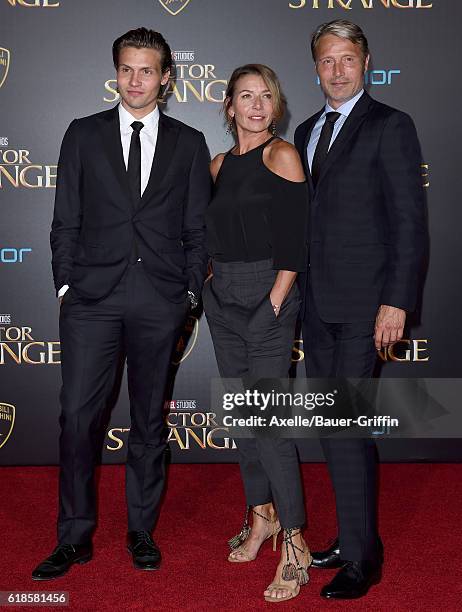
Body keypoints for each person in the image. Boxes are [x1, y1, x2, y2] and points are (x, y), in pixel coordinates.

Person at [32, 28, 210, 580]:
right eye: (127, 69)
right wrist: (66, 284)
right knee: (78, 419)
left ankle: (140, 530)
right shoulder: (82, 135)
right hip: (91, 301)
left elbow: (197, 229)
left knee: (149, 423)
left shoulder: (188, 141)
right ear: (116, 74)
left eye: (147, 70)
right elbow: (66, 219)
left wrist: (187, 293)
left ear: (165, 77)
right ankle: (74, 536)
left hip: (159, 300)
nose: (136, 80)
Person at [294, 20, 426, 599]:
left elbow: (409, 223)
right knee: (333, 426)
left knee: (345, 425)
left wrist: (396, 301)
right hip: (315, 306)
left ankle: (362, 558)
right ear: (316, 67)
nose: (338, 69)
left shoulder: (391, 125)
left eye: (348, 58)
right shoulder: (303, 130)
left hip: (367, 304)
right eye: (328, 60)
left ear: (366, 61)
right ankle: (352, 537)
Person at [203, 64, 311, 603]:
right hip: (221, 300)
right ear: (228, 106)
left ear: (276, 105)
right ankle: (261, 515)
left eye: (266, 96)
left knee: (269, 424)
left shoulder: (282, 155)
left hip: (269, 295)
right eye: (246, 96)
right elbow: (207, 239)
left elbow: (295, 243)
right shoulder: (219, 164)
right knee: (242, 422)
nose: (257, 104)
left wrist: (273, 303)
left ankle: (296, 543)